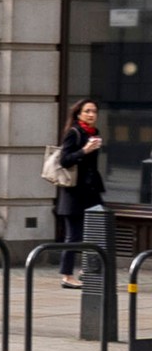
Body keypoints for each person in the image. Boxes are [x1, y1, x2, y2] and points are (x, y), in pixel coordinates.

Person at [54, 97, 106, 290]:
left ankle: (87, 270)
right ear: (79, 114)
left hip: (91, 191)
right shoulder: (74, 133)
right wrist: (84, 150)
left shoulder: (94, 133)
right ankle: (67, 276)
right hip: (74, 193)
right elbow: (64, 161)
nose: (92, 115)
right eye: (87, 111)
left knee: (99, 228)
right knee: (73, 235)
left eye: (94, 111)